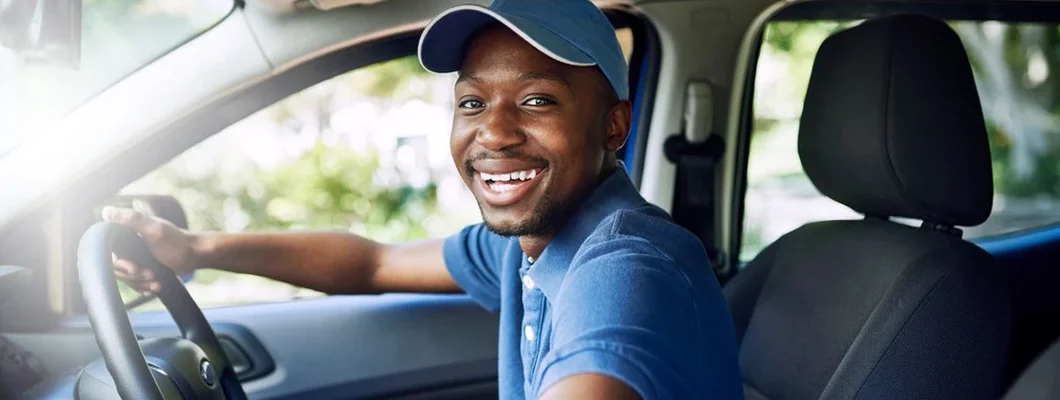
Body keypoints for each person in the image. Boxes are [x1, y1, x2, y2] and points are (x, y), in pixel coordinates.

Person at [105, 0, 743, 398]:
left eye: (537, 100)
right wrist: (194, 248)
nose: (492, 132)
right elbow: (371, 264)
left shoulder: (629, 265)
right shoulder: (537, 243)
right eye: (472, 102)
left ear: (614, 127)